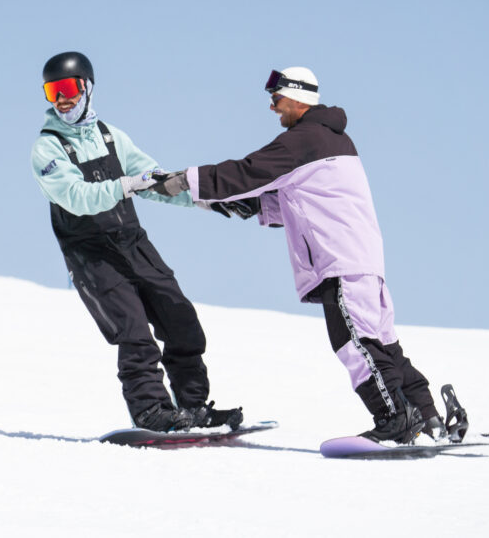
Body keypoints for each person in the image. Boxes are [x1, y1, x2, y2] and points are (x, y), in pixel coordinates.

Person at [146, 66, 465, 443]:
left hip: (341, 263)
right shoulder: (333, 140)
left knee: (354, 344)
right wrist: (218, 203)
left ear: (298, 97)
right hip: (364, 264)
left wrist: (186, 179)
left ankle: (394, 417)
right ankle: (428, 418)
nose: (272, 107)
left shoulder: (304, 140)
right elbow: (291, 204)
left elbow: (247, 172)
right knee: (385, 347)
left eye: (276, 98)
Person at [30, 51, 243, 432]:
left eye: (67, 89)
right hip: (90, 253)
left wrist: (205, 199)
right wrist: (127, 184)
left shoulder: (112, 136)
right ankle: (150, 411)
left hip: (131, 241)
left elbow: (154, 180)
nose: (61, 99)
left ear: (87, 88)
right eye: (52, 91)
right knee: (134, 332)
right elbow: (75, 196)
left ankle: (193, 406)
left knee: (181, 320)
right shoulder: (48, 148)